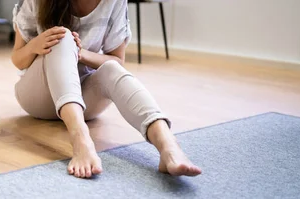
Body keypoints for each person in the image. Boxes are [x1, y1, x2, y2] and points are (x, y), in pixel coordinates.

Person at [11, 0, 202, 178]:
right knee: (62, 37)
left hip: (84, 99)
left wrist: (81, 53)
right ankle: (81, 140)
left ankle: (168, 145)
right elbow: (18, 60)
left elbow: (117, 60)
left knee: (111, 69)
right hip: (38, 96)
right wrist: (34, 46)